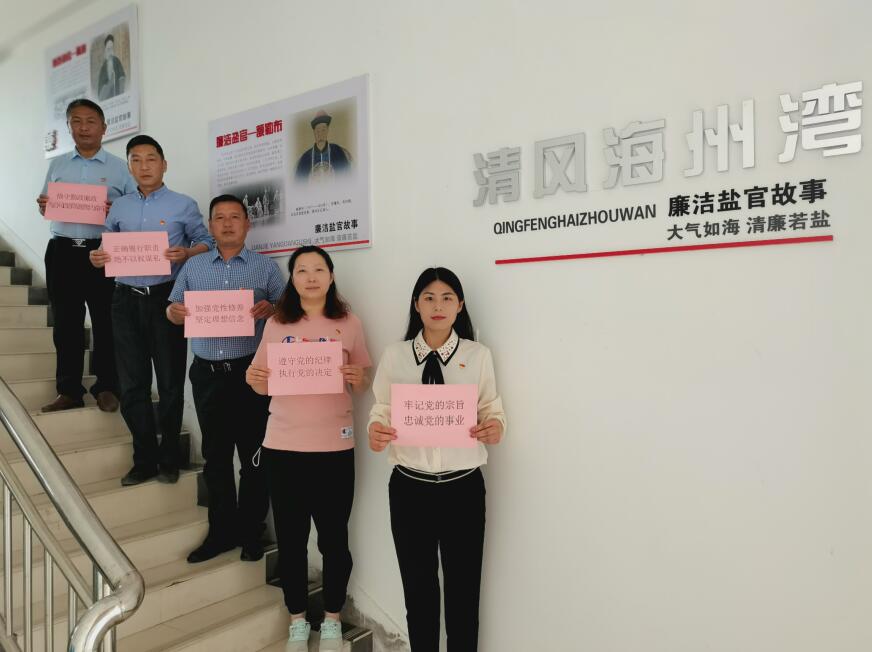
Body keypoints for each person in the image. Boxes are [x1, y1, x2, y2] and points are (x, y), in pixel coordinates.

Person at [367, 268, 505, 652]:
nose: (438, 305)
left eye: (447, 298)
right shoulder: (395, 356)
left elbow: (492, 409)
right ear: (416, 304)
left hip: (463, 487)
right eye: (429, 297)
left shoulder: (477, 355)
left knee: (464, 594)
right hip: (409, 487)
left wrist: (495, 427)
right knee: (418, 593)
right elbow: (381, 409)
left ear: (460, 305)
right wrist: (375, 429)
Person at [246, 246, 370, 652]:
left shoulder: (349, 323)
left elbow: (363, 381)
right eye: (302, 270)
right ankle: (297, 619)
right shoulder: (277, 323)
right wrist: (254, 379)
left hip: (334, 449)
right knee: (292, 539)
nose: (311, 277)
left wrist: (358, 378)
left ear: (331, 276)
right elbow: (263, 383)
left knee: (334, 539)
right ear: (292, 278)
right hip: (283, 448)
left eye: (319, 269)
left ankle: (332, 619)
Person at [166, 194, 284, 563]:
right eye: (220, 217)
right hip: (207, 374)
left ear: (248, 224)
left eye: (235, 217)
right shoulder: (194, 266)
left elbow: (288, 314)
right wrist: (175, 313)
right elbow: (172, 309)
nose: (228, 223)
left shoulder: (266, 268)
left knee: (253, 456)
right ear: (211, 226)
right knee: (215, 457)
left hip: (250, 374)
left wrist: (272, 309)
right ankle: (220, 533)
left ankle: (251, 532)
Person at [89, 134, 212, 486]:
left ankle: (169, 457)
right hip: (124, 300)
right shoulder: (119, 207)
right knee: (132, 385)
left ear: (164, 164)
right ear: (129, 166)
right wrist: (97, 257)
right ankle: (143, 459)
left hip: (165, 299)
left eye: (151, 159)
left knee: (170, 383)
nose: (144, 166)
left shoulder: (183, 204)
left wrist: (187, 253)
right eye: (136, 160)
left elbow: (207, 241)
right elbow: (105, 248)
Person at [36, 98, 137, 414]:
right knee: (66, 323)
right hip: (63, 250)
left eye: (90, 121)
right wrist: (44, 205)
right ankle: (68, 390)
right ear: (69, 128)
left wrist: (115, 210)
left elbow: (135, 213)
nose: (83, 127)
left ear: (104, 128)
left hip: (103, 251)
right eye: (76, 121)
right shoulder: (58, 165)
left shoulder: (120, 168)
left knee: (106, 321)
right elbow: (46, 203)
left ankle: (107, 387)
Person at [294, 111, 352, 182]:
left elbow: (348, 177)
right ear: (314, 132)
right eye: (318, 131)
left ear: (327, 130)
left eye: (323, 130)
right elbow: (299, 183)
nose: (320, 134)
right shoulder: (305, 159)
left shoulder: (338, 152)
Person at [97, 34, 127, 100]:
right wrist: (109, 84)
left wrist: (121, 95)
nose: (110, 51)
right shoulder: (103, 68)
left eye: (111, 48)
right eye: (108, 49)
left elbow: (122, 78)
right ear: (105, 50)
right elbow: (100, 94)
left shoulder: (117, 61)